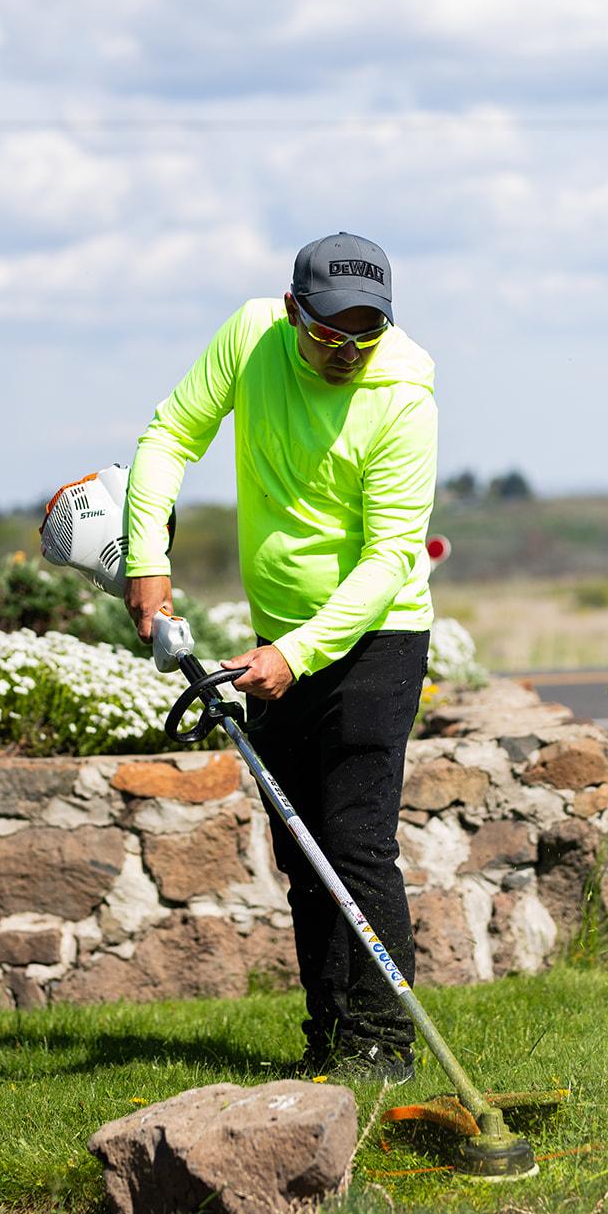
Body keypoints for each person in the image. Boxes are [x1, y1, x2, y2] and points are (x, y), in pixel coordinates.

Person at [123, 232, 437, 1083]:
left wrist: (298, 654)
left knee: (354, 840)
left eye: (364, 334)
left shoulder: (404, 392)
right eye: (331, 331)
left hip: (375, 636)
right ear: (295, 311)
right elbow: (168, 437)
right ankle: (329, 1037)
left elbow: (389, 558)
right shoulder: (252, 335)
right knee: (301, 852)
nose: (346, 351)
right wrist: (147, 558)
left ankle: (382, 1044)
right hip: (280, 639)